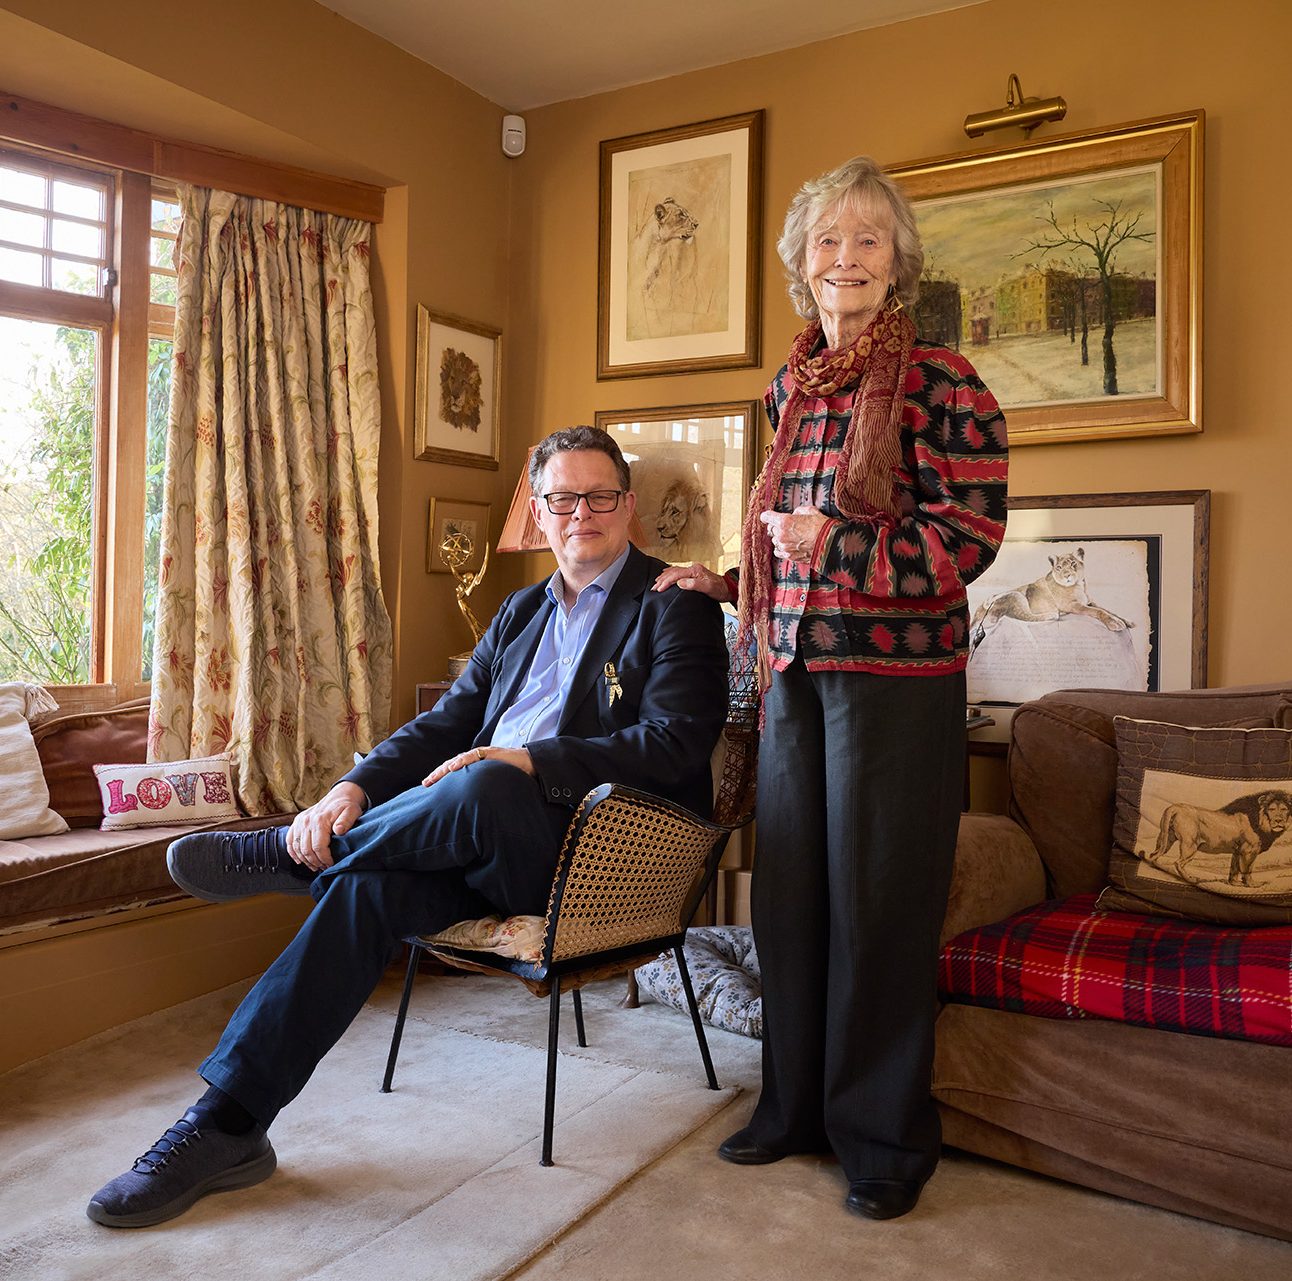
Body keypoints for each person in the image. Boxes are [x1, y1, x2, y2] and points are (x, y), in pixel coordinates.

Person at [87, 425, 728, 1229]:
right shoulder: (520, 609)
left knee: (491, 776)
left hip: (584, 856)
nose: (581, 514)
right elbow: (443, 724)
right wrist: (350, 788)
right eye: (562, 498)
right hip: (468, 840)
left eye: (600, 496)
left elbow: (676, 747)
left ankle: (293, 858)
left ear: (628, 506)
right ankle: (225, 1123)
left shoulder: (675, 606)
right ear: (539, 509)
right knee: (364, 889)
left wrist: (531, 763)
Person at [654, 156, 1008, 1221]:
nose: (842, 258)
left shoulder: (946, 383)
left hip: (897, 681)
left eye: (864, 240)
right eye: (823, 242)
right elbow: (779, 547)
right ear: (798, 266)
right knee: (793, 896)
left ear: (895, 264)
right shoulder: (785, 388)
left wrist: (840, 547)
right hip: (791, 669)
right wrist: (722, 582)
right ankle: (791, 1109)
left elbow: (967, 536)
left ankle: (882, 1141)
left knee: (880, 908)